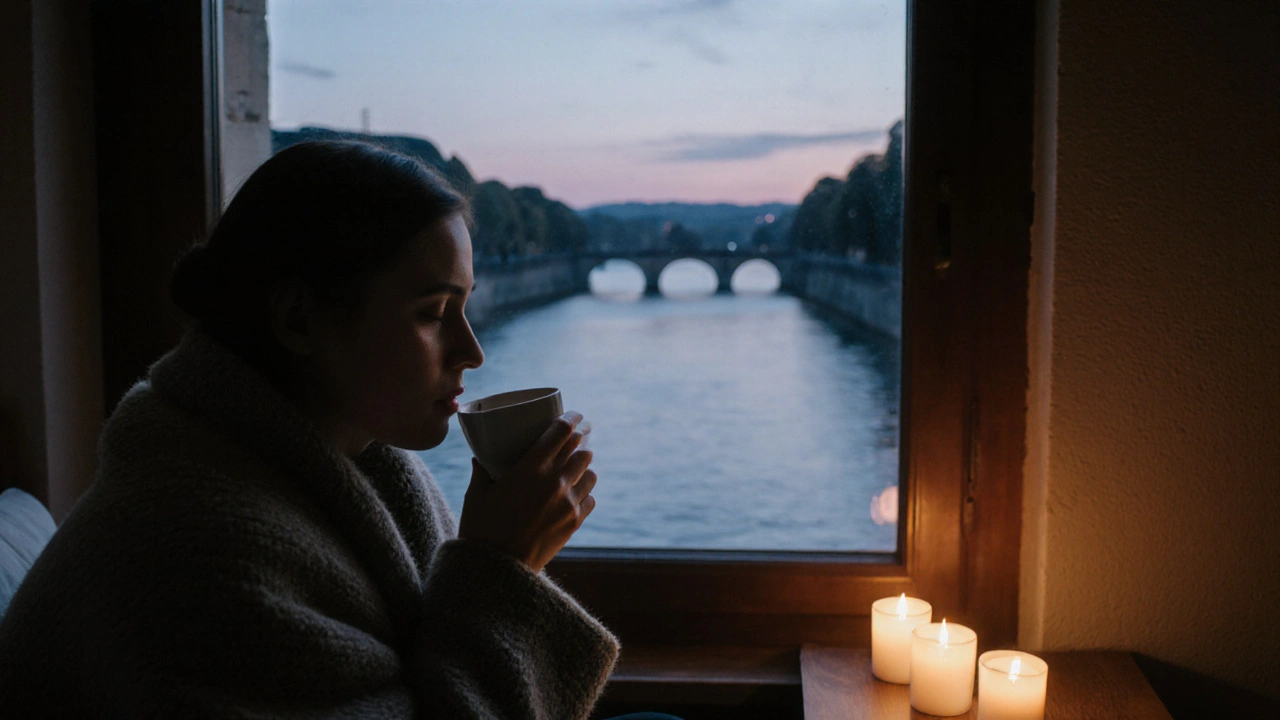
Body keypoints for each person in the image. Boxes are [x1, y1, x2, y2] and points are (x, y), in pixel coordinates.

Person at [0, 140, 648, 718]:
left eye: (465, 306)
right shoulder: (204, 566)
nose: (472, 351)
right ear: (300, 321)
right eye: (434, 313)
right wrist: (502, 567)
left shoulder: (328, 462)